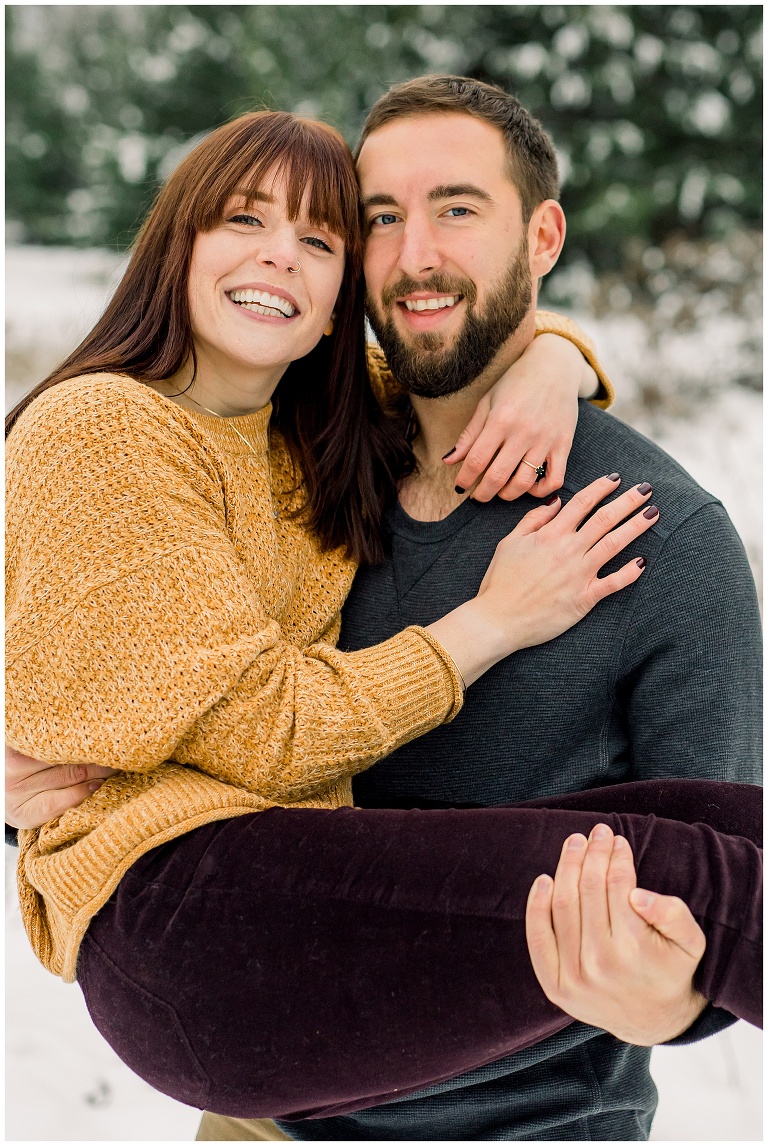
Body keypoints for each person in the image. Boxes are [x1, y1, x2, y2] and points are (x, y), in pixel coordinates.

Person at [5, 106, 760, 1136]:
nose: (414, 255)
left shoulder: (329, 436)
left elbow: (689, 951)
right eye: (380, 220)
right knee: (684, 867)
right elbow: (208, 711)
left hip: (519, 1125)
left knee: (711, 846)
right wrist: (493, 619)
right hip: (230, 1010)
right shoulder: (173, 435)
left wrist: (557, 364)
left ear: (541, 238)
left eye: (320, 238)